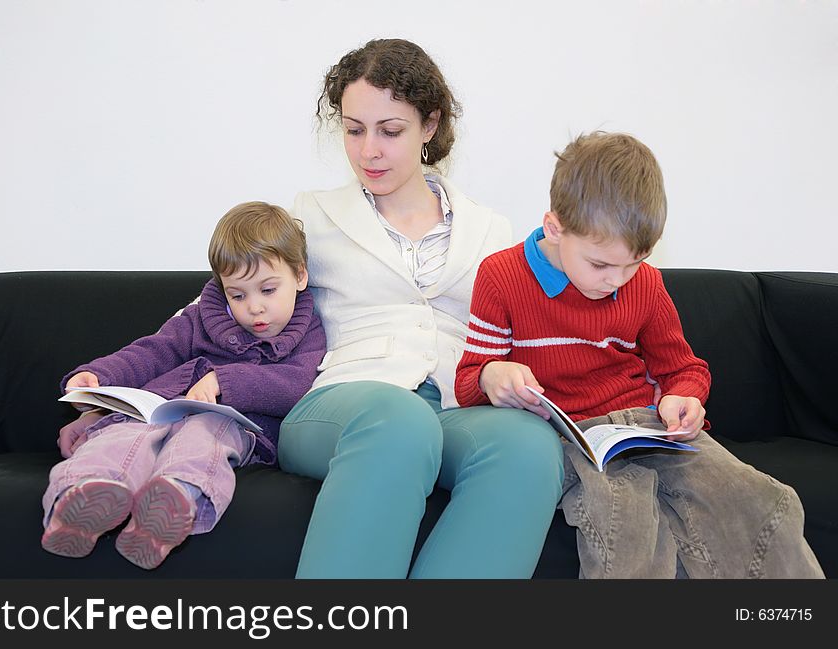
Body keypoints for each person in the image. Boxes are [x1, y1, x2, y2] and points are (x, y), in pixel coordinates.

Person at [455, 131, 825, 578]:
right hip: (576, 441)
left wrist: (682, 397)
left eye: (633, 263)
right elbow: (469, 380)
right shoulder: (501, 276)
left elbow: (683, 369)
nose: (618, 279)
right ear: (555, 228)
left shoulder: (644, 283)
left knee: (762, 498)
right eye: (601, 265)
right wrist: (494, 374)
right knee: (627, 530)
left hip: (649, 429)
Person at [277, 38, 564, 578]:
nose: (369, 151)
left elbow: (526, 331)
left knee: (528, 445)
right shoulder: (310, 215)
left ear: (429, 126)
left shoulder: (490, 229)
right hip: (345, 404)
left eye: (390, 131)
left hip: (454, 406)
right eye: (354, 129)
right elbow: (222, 303)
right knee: (398, 421)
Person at [42, 202, 326, 569]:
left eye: (267, 290)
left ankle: (171, 503)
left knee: (204, 437)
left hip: (230, 421)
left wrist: (224, 380)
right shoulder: (199, 317)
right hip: (162, 407)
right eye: (237, 295)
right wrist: (99, 376)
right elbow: (154, 351)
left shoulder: (308, 330)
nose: (254, 308)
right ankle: (83, 497)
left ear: (300, 277)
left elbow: (299, 383)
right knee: (123, 435)